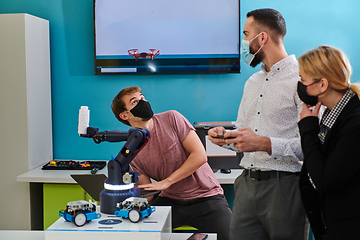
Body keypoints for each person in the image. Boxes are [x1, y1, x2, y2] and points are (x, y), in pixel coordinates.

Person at [208, 8, 308, 240]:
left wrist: (264, 144)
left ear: (262, 38)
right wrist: (225, 139)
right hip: (246, 185)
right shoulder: (252, 82)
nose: (243, 42)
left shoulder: (302, 79)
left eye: (245, 34)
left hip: (285, 188)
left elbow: (312, 145)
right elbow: (245, 137)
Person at [111, 86, 232, 240]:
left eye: (142, 97)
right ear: (124, 115)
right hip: (170, 201)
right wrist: (123, 198)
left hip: (206, 197)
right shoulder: (131, 150)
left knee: (232, 235)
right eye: (135, 101)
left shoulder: (172, 118)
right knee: (138, 234)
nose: (143, 102)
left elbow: (200, 156)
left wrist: (166, 182)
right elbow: (147, 192)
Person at [297, 45, 360, 240]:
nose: (299, 85)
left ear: (322, 85)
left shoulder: (355, 122)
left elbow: (325, 179)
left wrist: (307, 128)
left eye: (303, 80)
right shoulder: (332, 115)